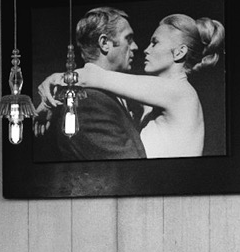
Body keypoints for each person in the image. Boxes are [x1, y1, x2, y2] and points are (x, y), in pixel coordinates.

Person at [39, 13, 225, 158]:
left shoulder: (178, 91)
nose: (145, 49)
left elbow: (96, 77)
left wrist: (53, 84)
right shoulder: (165, 95)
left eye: (155, 43)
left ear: (179, 52)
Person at [33, 7, 146, 160]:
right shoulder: (88, 103)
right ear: (104, 43)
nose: (135, 47)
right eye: (129, 39)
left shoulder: (107, 95)